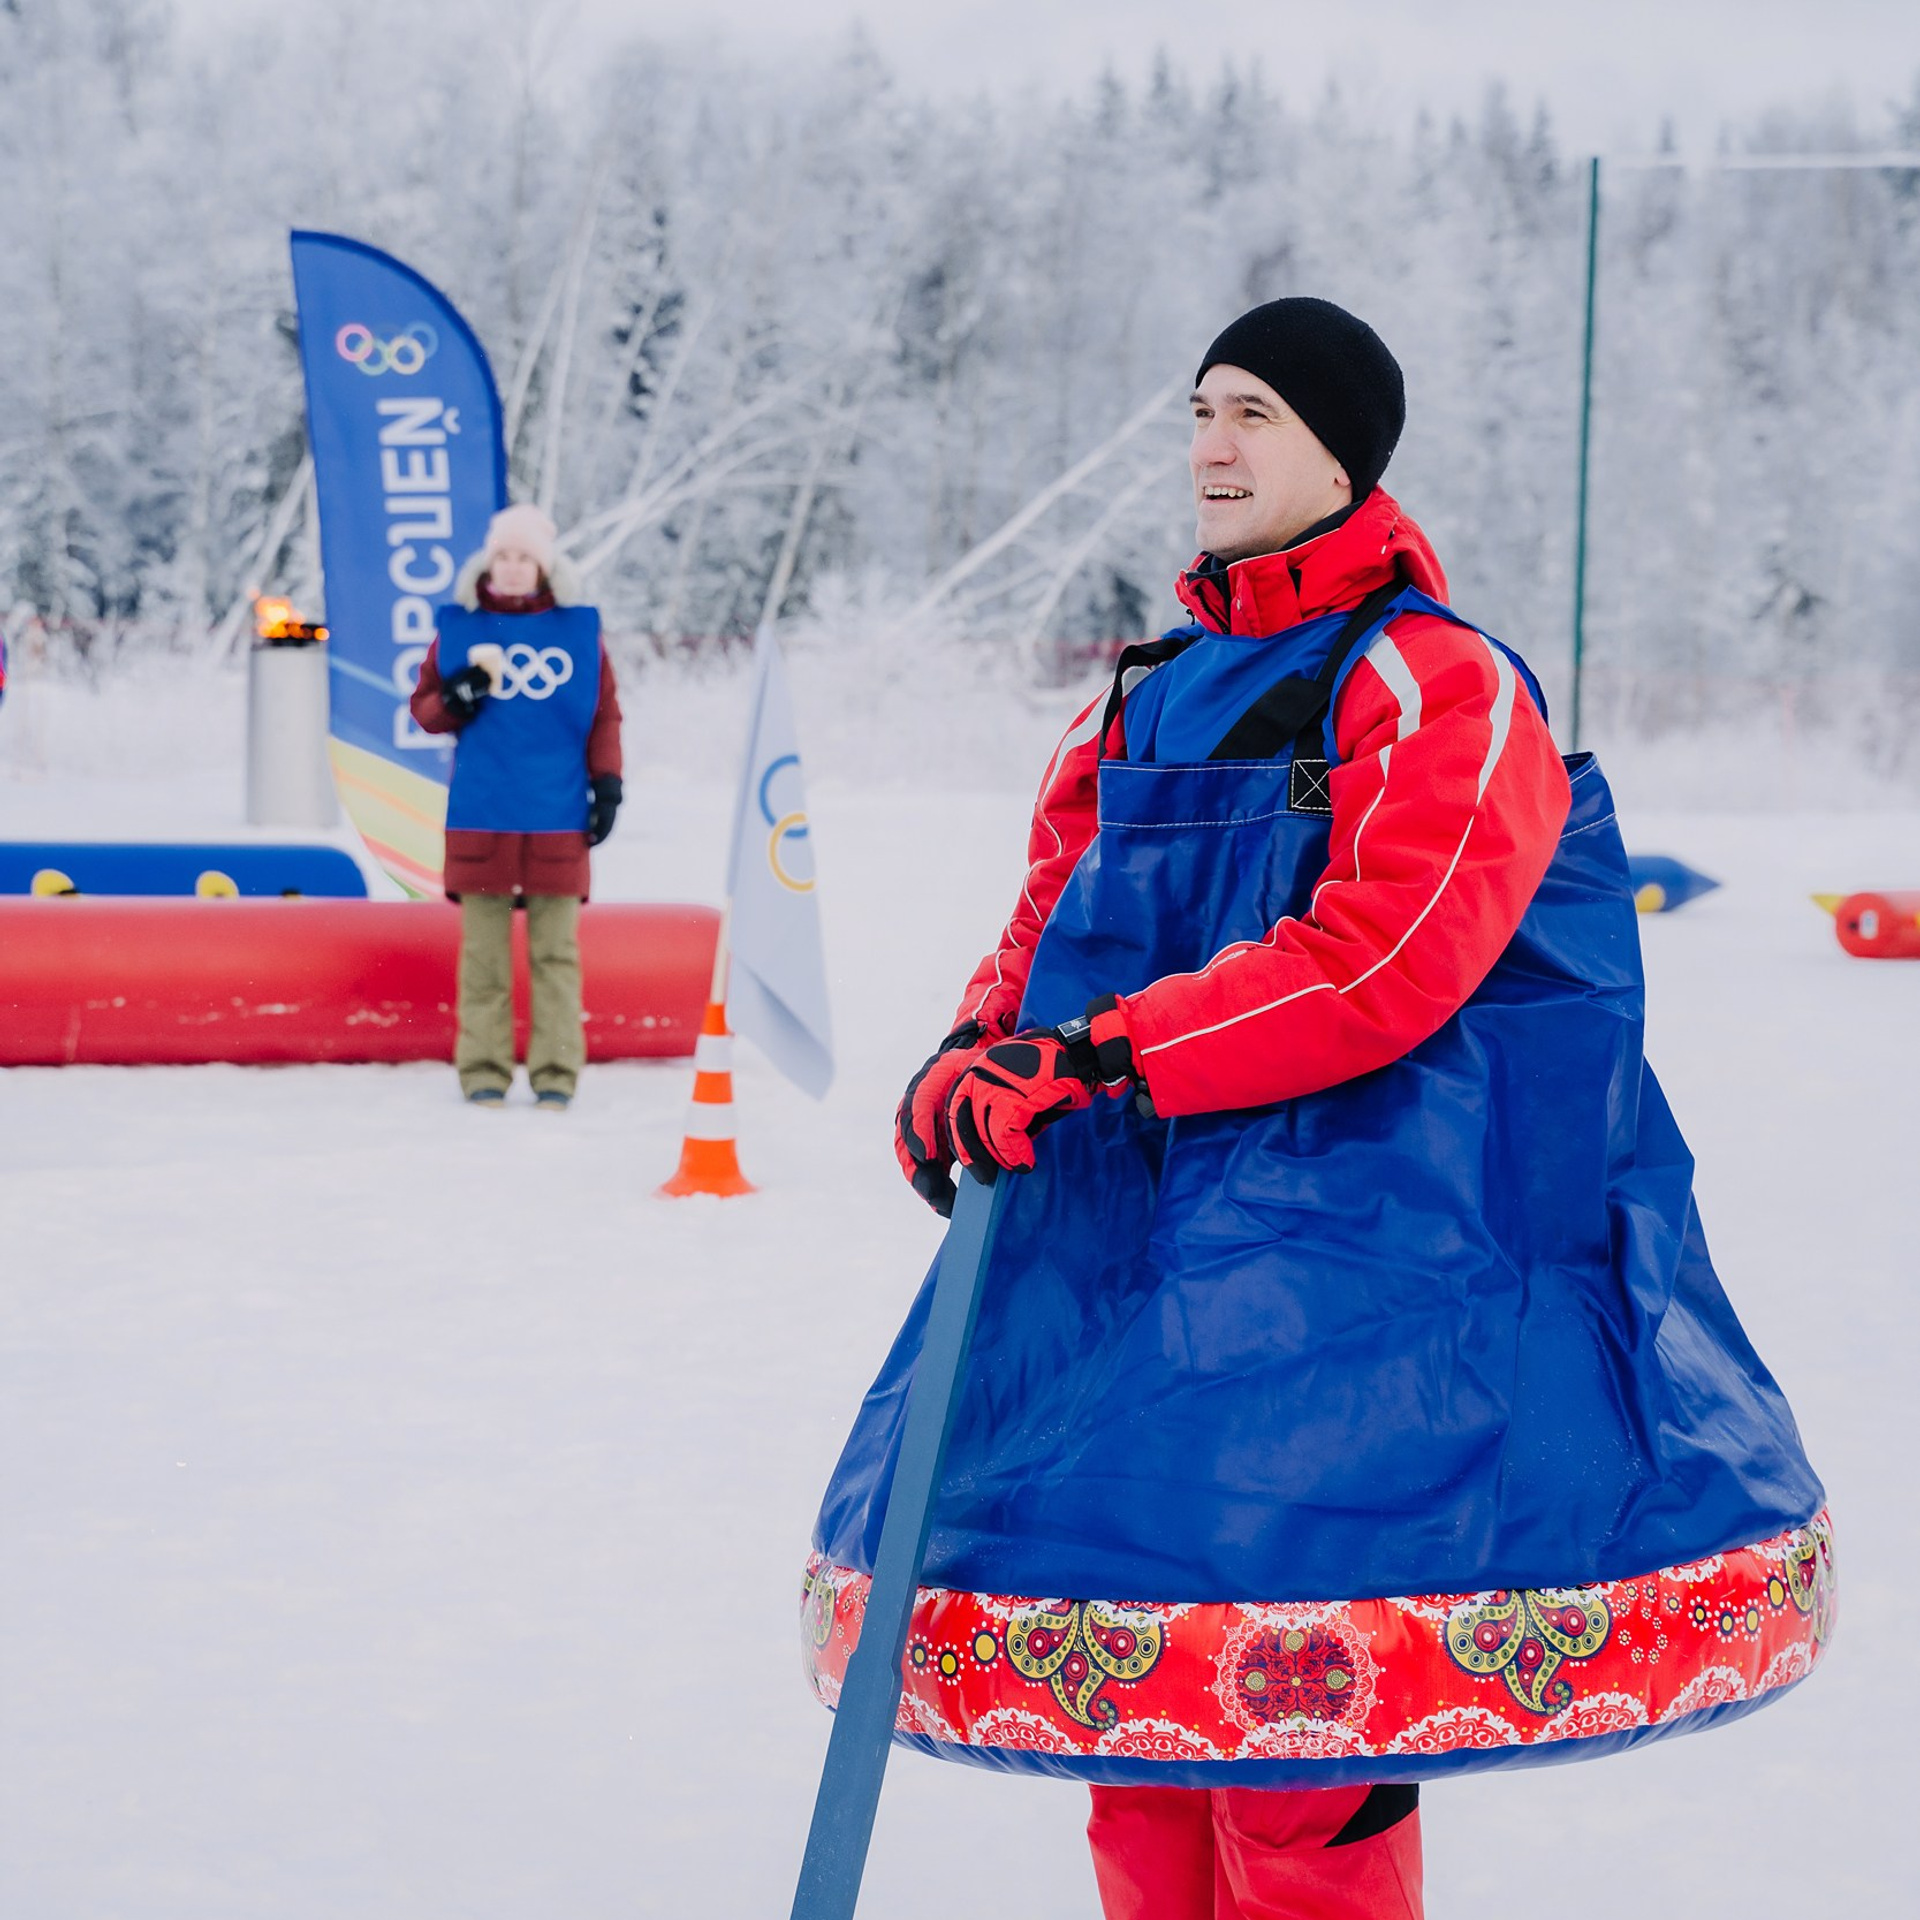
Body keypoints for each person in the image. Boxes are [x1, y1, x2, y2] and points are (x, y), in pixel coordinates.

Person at [803, 300, 1831, 1918]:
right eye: (1201, 409)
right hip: (1126, 1286)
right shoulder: (1143, 696)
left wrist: (1102, 1058)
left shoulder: (1435, 682)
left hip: (1354, 1286)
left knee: (1300, 1760)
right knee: (1140, 1747)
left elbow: (1385, 960)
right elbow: (1048, 919)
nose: (1211, 445)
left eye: (1257, 413)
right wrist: (970, 1054)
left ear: (1345, 448)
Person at [409, 503, 623, 1111]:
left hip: (557, 817)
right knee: (483, 959)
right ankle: (483, 1071)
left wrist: (607, 785)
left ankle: (556, 1074)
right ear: (488, 561)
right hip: (483, 815)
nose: (511, 567)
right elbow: (424, 712)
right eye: (503, 555)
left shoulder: (579, 634)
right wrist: (457, 696)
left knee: (555, 956)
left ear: (543, 567)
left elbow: (604, 715)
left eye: (523, 557)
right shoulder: (460, 629)